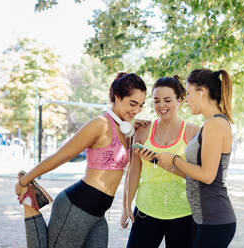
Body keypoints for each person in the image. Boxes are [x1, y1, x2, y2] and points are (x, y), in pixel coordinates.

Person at [15, 72, 147, 248]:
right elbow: (61, 156)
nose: (137, 110)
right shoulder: (100, 124)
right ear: (117, 97)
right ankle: (29, 200)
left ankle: (30, 199)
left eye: (141, 105)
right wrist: (25, 180)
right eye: (133, 103)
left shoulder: (125, 130)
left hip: (99, 213)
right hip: (77, 207)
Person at [142, 69, 237, 248]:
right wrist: (161, 162)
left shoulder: (215, 124)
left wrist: (175, 160)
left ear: (202, 92)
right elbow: (195, 174)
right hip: (204, 219)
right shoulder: (209, 124)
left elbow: (208, 176)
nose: (186, 99)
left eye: (189, 93)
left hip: (215, 220)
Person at [122, 76, 200, 248]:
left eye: (167, 100)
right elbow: (133, 171)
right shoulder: (142, 131)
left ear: (179, 100)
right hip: (146, 210)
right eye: (156, 101)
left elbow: (200, 175)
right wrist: (126, 205)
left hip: (183, 212)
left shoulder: (194, 132)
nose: (161, 105)